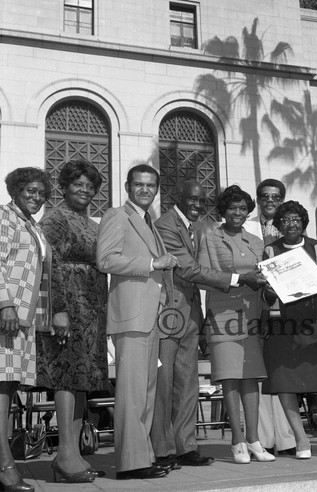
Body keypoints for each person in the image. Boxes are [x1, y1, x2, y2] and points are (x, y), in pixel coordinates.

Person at [151, 181, 264, 469]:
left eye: (202, 201)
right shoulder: (167, 224)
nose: (197, 205)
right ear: (179, 196)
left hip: (191, 313)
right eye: (192, 199)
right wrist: (238, 279)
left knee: (187, 384)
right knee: (165, 385)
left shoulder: (193, 226)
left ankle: (185, 447)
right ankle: (163, 449)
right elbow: (188, 269)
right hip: (169, 312)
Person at [96, 164, 178, 480]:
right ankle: (130, 463)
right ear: (128, 186)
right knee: (131, 393)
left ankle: (141, 455)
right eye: (139, 184)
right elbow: (105, 259)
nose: (145, 189)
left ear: (156, 188)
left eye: (150, 185)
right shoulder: (118, 216)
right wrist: (152, 262)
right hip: (130, 315)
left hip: (150, 316)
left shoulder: (149, 223)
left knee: (145, 392)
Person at [36, 160, 109, 483]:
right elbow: (47, 265)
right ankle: (64, 454)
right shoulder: (55, 219)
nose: (85, 190)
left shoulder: (92, 223)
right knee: (66, 377)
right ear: (64, 187)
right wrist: (58, 309)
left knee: (82, 380)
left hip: (91, 311)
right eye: (78, 184)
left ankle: (73, 454)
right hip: (67, 307)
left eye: (90, 186)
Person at [262, 200, 317, 459]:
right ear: (278, 225)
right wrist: (269, 289)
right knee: (284, 381)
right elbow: (265, 295)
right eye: (285, 220)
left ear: (303, 223)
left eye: (296, 219)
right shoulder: (270, 251)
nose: (291, 224)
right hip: (283, 324)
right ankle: (301, 440)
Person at [198, 185, 270, 464]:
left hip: (252, 312)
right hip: (223, 313)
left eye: (242, 208)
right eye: (232, 208)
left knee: (251, 378)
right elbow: (205, 275)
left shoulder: (256, 241)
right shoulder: (211, 238)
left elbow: (265, 277)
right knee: (230, 378)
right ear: (223, 211)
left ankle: (254, 439)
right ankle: (237, 439)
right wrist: (239, 279)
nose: (237, 213)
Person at [0, 167, 52, 492]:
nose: (35, 197)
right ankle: (5, 466)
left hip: (24, 320)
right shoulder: (4, 218)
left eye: (41, 192)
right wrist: (3, 303)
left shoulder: (30, 224)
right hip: (6, 315)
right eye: (30, 191)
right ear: (15, 190)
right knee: (1, 387)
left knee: (7, 389)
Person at [244, 178, 296, 456]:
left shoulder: (292, 225)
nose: (270, 201)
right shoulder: (246, 225)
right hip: (253, 308)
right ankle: (264, 438)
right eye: (265, 196)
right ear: (258, 199)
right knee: (258, 375)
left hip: (286, 312)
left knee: (283, 373)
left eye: (276, 196)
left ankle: (287, 438)